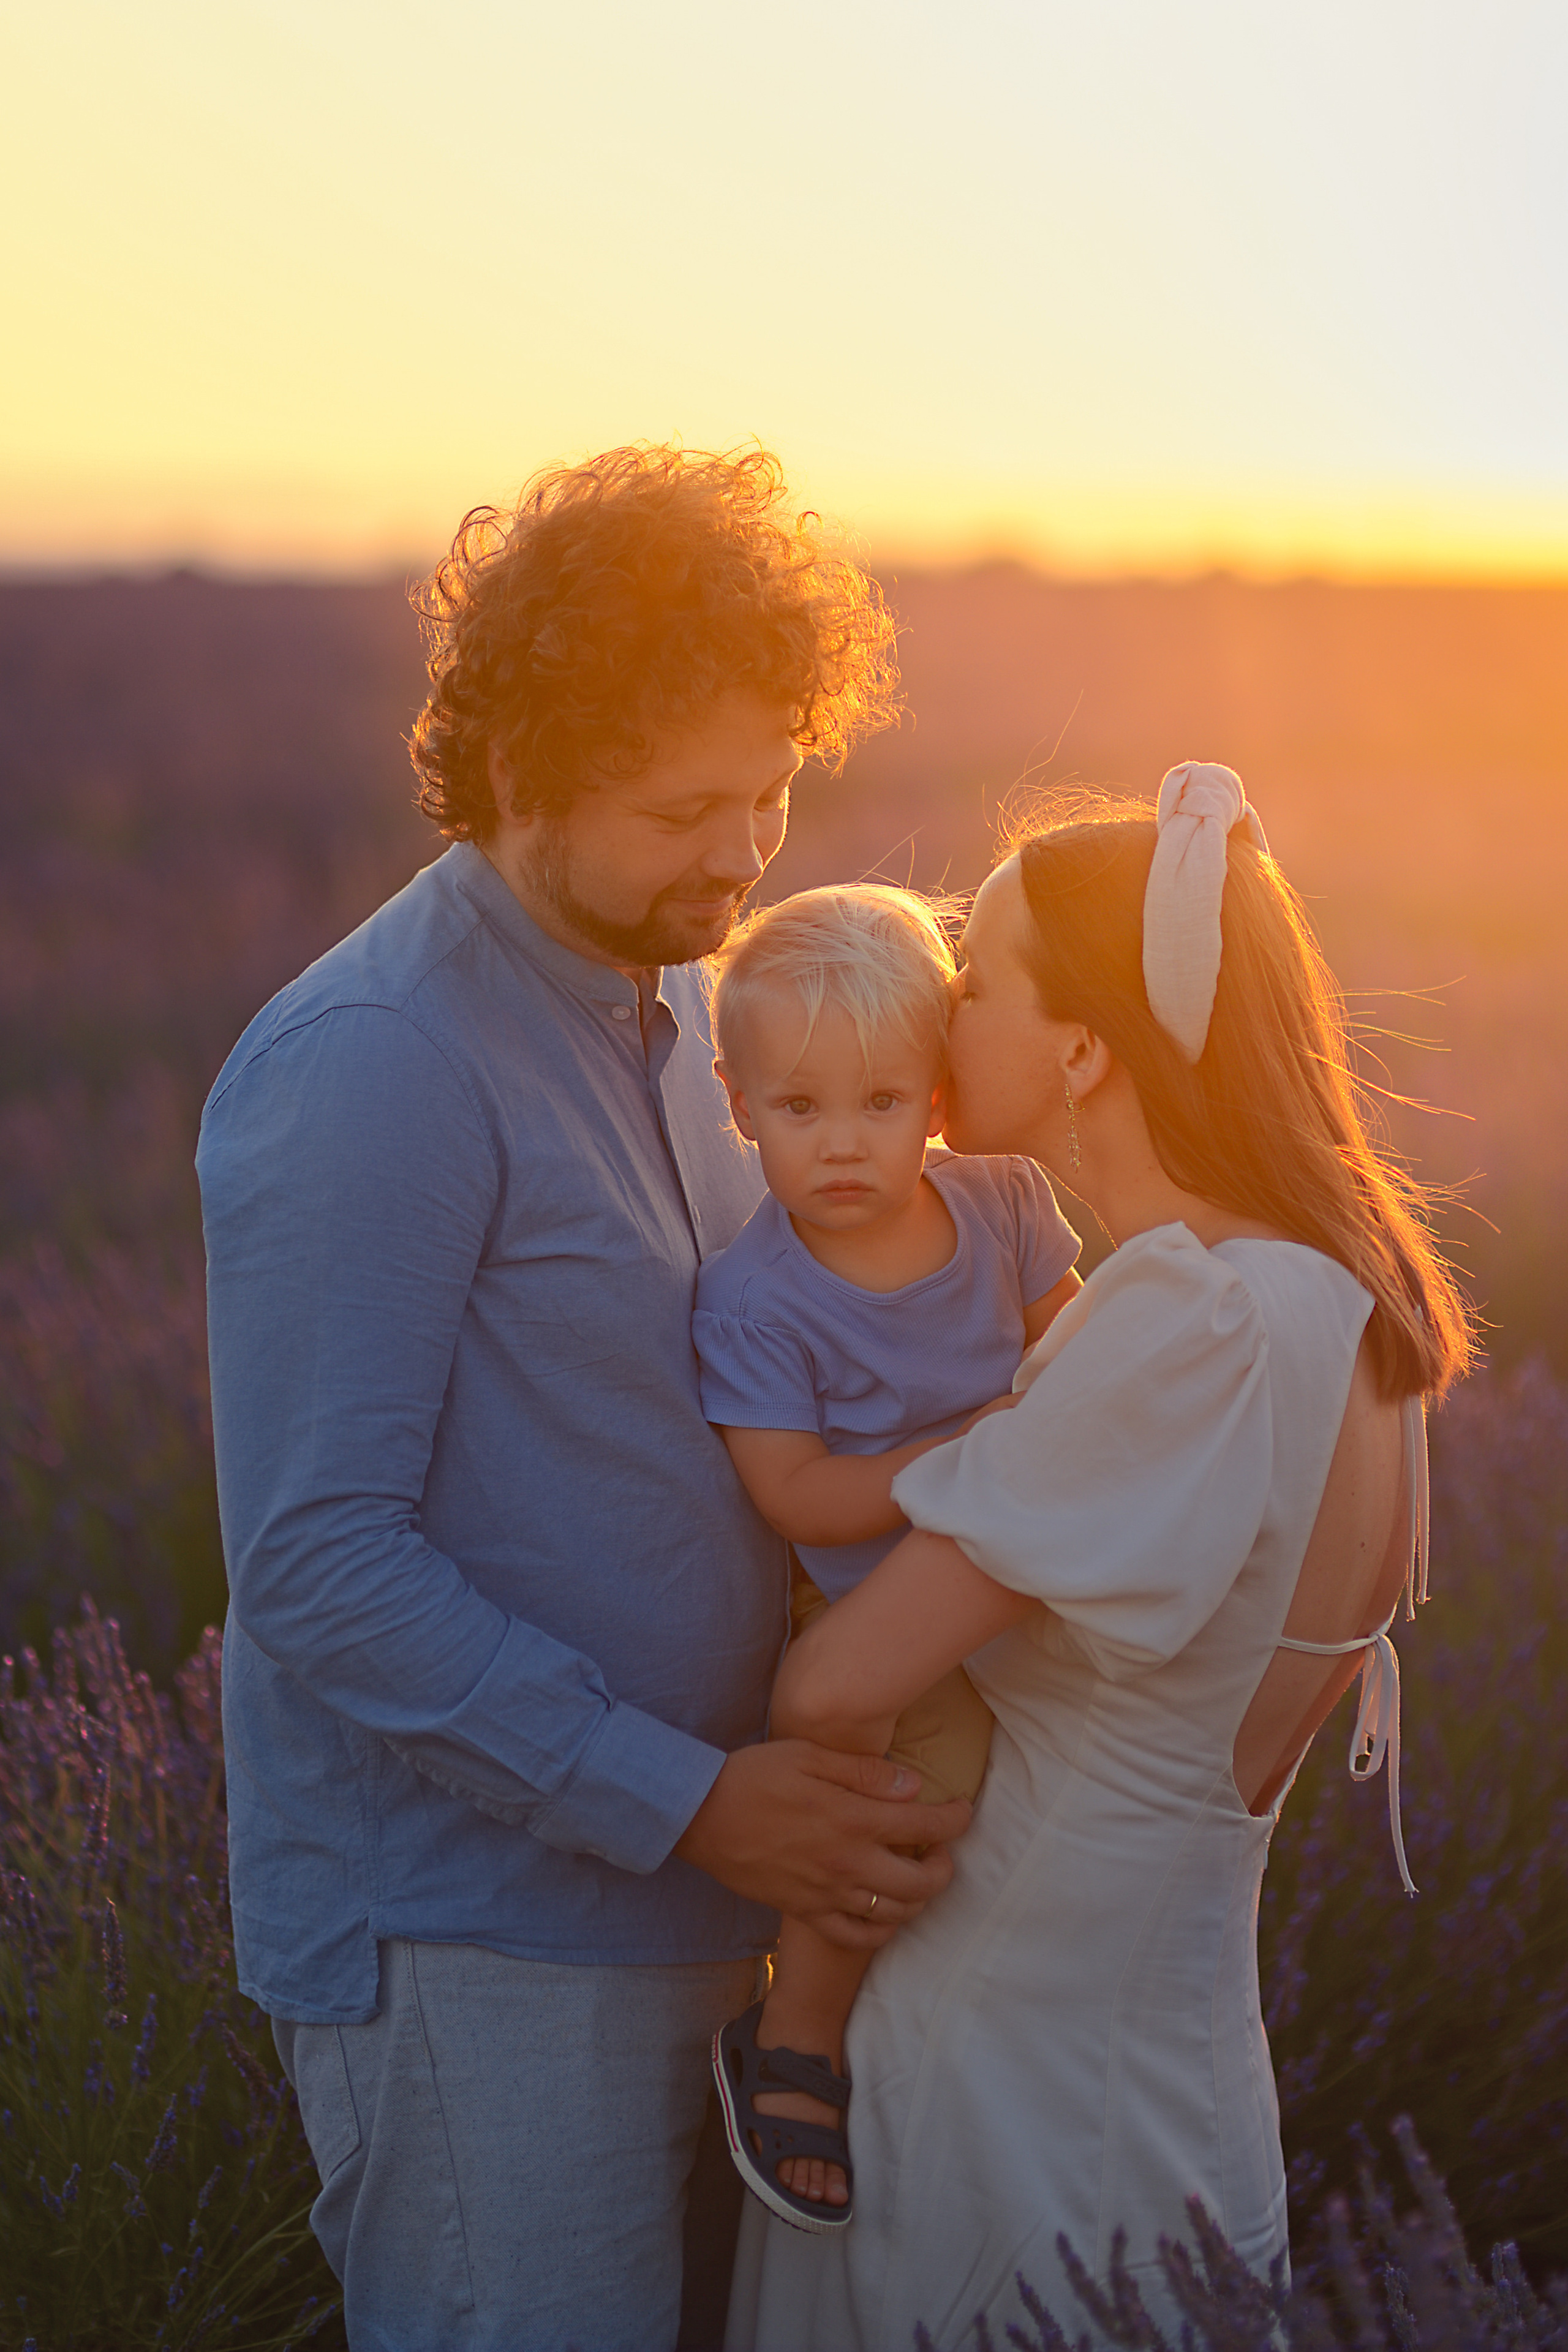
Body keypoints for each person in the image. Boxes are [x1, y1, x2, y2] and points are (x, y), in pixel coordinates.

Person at [195, 444, 975, 2352]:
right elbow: (316, 1564)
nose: (744, 854)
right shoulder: (377, 1065)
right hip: (485, 1955)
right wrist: (696, 1800)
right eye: (684, 807)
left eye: (773, 791)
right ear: (523, 767)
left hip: (720, 1908)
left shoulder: (694, 1014)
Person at [725, 764, 1472, 2351]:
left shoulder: (1184, 1316)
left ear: (1079, 1049)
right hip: (1179, 2081)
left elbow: (841, 1683)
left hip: (1010, 2074)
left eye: (977, 981)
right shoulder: (1342, 1300)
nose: (943, 1024)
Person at [689, 884, 1082, 2228]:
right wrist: (979, 1444)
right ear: (737, 1107)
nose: (842, 1146)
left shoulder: (1007, 1208)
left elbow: (1078, 1349)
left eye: (880, 1103)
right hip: (872, 1602)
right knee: (903, 1811)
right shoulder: (754, 1299)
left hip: (1022, 1578)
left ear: (938, 1096)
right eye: (797, 1111)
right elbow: (797, 1495)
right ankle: (792, 2036)